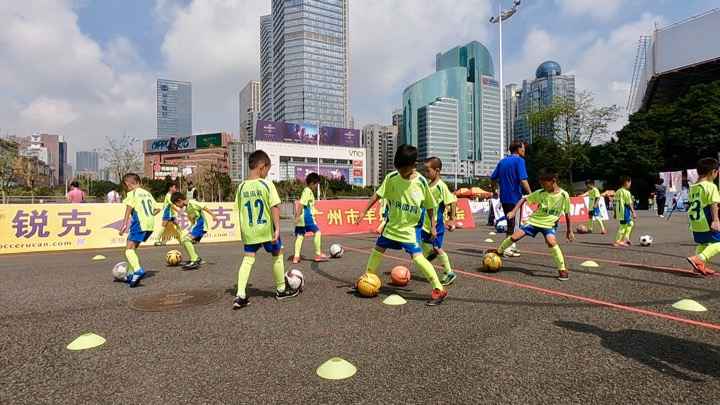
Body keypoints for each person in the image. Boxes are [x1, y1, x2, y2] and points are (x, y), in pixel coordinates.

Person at [356, 144, 447, 306]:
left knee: (418, 257)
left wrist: (433, 226)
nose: (400, 172)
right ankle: (367, 278)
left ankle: (439, 289)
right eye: (398, 169)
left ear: (413, 165)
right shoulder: (391, 178)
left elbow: (430, 206)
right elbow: (377, 195)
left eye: (404, 169)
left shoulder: (421, 182)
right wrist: (364, 211)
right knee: (378, 249)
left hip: (410, 230)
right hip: (392, 227)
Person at [232, 150, 299, 309]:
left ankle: (240, 295)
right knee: (277, 254)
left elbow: (238, 209)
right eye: (268, 170)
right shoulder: (266, 184)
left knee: (248, 259)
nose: (267, 174)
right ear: (262, 167)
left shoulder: (241, 187)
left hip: (249, 231)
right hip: (266, 230)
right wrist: (277, 229)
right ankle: (281, 290)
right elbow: (275, 206)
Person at [494, 170, 574, 281]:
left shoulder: (564, 195)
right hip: (534, 221)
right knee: (514, 237)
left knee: (551, 242)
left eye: (544, 183)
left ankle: (562, 269)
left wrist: (569, 230)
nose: (542, 186)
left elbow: (567, 213)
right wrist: (513, 211)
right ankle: (498, 252)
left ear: (553, 181)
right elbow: (524, 199)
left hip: (549, 224)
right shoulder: (540, 193)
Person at [421, 157, 458, 286]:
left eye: (427, 170)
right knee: (417, 241)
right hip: (425, 224)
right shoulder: (427, 184)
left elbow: (452, 201)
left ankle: (449, 272)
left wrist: (452, 220)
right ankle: (429, 253)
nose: (426, 173)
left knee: (437, 247)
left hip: (437, 224)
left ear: (437, 170)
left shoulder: (441, 186)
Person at [491, 141, 531, 257]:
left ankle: (511, 246)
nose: (524, 150)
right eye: (523, 148)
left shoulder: (502, 161)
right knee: (512, 223)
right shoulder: (519, 161)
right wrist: (530, 193)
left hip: (504, 197)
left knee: (513, 223)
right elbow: (523, 179)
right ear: (518, 149)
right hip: (515, 196)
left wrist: (494, 191)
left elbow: (493, 178)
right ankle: (507, 248)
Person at [118, 173, 159, 288]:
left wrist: (124, 224)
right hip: (150, 224)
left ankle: (137, 270)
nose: (126, 189)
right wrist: (148, 215)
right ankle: (131, 275)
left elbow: (129, 208)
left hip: (139, 223)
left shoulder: (132, 193)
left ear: (128, 184)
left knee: (128, 249)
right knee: (133, 248)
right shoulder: (147, 193)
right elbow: (157, 209)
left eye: (125, 187)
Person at [686, 157, 720, 276]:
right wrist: (716, 220)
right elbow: (713, 203)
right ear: (713, 172)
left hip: (696, 221)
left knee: (703, 243)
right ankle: (700, 258)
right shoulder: (711, 186)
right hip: (706, 219)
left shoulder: (693, 187)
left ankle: (698, 267)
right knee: (718, 242)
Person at [170, 192, 217, 270]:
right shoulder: (185, 208)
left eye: (176, 204)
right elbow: (188, 217)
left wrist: (213, 215)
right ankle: (196, 258)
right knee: (183, 239)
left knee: (186, 239)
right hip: (195, 226)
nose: (177, 206)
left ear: (179, 200)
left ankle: (194, 260)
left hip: (200, 225)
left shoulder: (192, 202)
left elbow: (204, 207)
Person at [291, 172, 329, 264]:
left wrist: (316, 212)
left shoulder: (306, 191)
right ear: (312, 183)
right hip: (306, 217)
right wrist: (297, 216)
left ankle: (296, 257)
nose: (317, 186)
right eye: (317, 184)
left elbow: (308, 206)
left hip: (302, 218)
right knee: (317, 232)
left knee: (300, 236)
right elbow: (301, 204)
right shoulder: (307, 191)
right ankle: (318, 254)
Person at [613, 176, 636, 247]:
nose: (630, 184)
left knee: (630, 223)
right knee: (623, 226)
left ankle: (626, 238)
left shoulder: (617, 191)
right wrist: (633, 212)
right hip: (624, 211)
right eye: (630, 183)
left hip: (619, 211)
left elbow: (614, 203)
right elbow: (629, 203)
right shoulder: (626, 192)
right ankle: (617, 241)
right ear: (626, 182)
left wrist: (615, 212)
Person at [156, 182, 179, 246]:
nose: (175, 189)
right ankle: (157, 240)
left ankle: (183, 239)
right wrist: (178, 211)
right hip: (167, 213)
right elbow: (171, 205)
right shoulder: (168, 195)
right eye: (174, 187)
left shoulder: (172, 195)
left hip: (172, 214)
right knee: (163, 227)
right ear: (170, 188)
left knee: (178, 225)